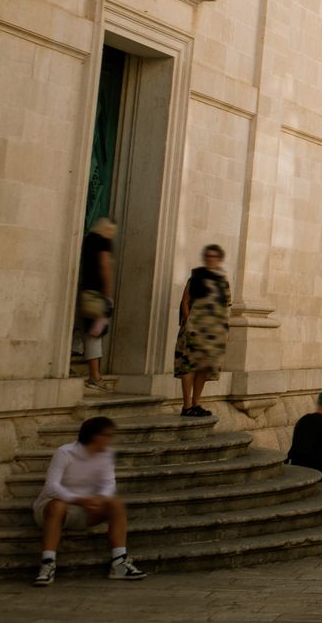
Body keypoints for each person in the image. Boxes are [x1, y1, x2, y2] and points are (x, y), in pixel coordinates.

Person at [33, 416, 146, 585]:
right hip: (53, 510)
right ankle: (48, 563)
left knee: (115, 504)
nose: (109, 440)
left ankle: (119, 563)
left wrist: (100, 499)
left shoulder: (106, 455)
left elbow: (108, 484)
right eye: (106, 435)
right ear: (94, 436)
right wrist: (79, 499)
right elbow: (52, 487)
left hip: (86, 510)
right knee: (58, 505)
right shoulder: (65, 452)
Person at [174, 244, 229, 416]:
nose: (210, 259)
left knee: (203, 367)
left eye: (213, 256)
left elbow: (225, 306)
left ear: (218, 259)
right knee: (189, 365)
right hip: (194, 329)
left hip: (213, 332)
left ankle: (196, 403)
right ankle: (187, 405)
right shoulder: (196, 278)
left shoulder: (222, 281)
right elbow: (185, 301)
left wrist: (223, 330)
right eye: (208, 256)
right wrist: (188, 322)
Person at [76, 219, 116, 389]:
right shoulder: (103, 241)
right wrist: (107, 296)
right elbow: (104, 266)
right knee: (94, 334)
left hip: (82, 291)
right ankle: (95, 376)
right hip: (95, 295)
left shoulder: (86, 239)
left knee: (80, 329)